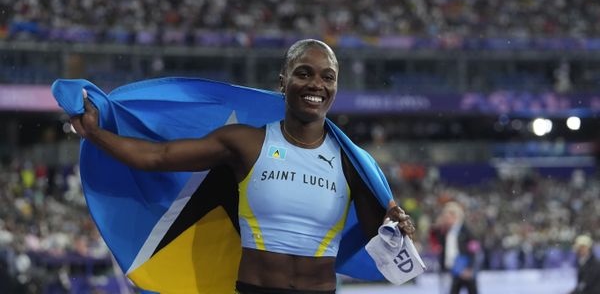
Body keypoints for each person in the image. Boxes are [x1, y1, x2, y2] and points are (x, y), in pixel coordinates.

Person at [70, 39, 415, 294]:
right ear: (283, 81)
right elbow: (157, 157)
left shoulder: (353, 161)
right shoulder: (245, 142)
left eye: (328, 77)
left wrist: (395, 225)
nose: (316, 85)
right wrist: (96, 134)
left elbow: (378, 238)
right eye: (304, 73)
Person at [431, 201, 478, 294]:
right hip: (453, 270)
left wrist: (470, 267)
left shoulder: (466, 231)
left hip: (465, 269)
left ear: (455, 216)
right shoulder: (446, 231)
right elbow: (434, 237)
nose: (445, 219)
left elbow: (474, 250)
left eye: (447, 216)